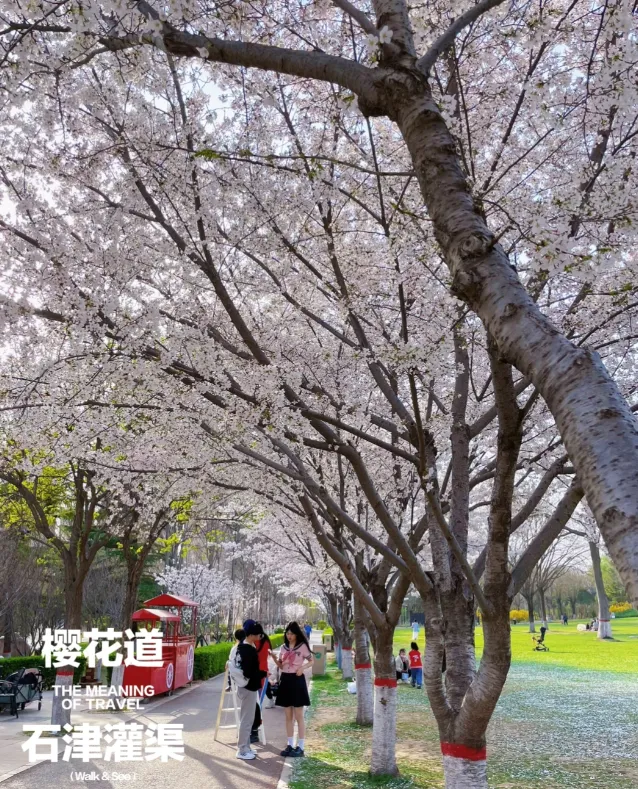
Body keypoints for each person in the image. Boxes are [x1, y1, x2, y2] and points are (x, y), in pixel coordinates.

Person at [269, 621, 314, 758]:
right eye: (287, 633)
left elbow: (312, 661)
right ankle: (289, 745)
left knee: (299, 716)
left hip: (297, 680)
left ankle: (301, 747)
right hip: (286, 680)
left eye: (292, 634)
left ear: (296, 634)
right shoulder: (283, 648)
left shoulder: (302, 647)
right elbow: (281, 666)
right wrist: (274, 659)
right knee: (288, 716)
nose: (289, 636)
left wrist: (302, 668)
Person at [234, 623, 267, 760]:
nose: (260, 637)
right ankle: (242, 749)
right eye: (259, 634)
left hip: (244, 686)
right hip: (249, 687)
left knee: (247, 719)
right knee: (246, 720)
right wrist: (262, 674)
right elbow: (249, 672)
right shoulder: (248, 650)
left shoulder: (242, 646)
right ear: (252, 635)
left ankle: (246, 747)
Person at [227, 628, 245, 692]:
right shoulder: (249, 646)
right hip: (247, 675)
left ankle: (230, 685)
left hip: (236, 674)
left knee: (229, 666)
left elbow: (231, 659)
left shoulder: (235, 648)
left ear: (236, 637)